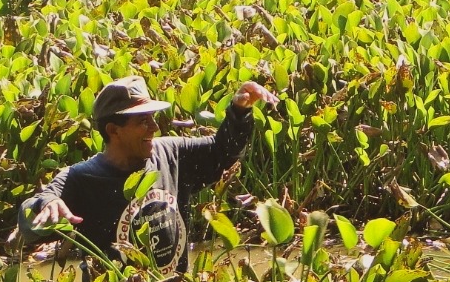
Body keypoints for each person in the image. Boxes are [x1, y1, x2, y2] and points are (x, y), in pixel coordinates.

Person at [17, 74, 277, 271]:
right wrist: (48, 204)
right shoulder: (81, 178)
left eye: (152, 118)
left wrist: (239, 112)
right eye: (143, 121)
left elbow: (223, 153)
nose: (154, 127)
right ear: (113, 130)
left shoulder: (171, 153)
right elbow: (32, 218)